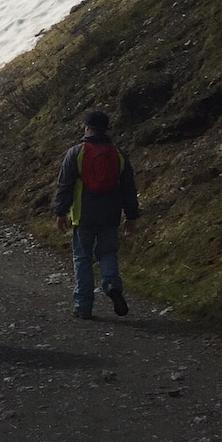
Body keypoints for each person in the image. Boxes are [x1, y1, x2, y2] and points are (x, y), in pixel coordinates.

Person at [53, 110, 139, 319]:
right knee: (108, 252)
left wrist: (60, 212)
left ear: (87, 127)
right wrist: (131, 216)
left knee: (82, 258)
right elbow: (128, 187)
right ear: (106, 128)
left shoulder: (76, 152)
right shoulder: (118, 154)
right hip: (110, 215)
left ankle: (83, 306)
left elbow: (65, 184)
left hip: (83, 215)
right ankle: (111, 285)